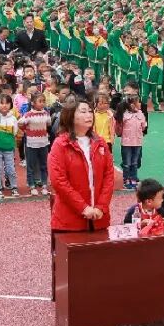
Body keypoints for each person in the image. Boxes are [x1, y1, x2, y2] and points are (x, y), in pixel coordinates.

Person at [48, 98, 115, 232]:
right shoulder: (60, 145)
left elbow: (109, 176)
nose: (89, 115)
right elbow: (59, 181)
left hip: (99, 218)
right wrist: (83, 207)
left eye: (90, 111)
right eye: (83, 112)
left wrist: (101, 207)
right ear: (71, 116)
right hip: (69, 221)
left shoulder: (100, 142)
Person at [18, 92, 51, 195]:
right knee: (31, 166)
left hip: (43, 143)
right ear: (33, 103)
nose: (42, 103)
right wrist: (26, 131)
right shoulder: (28, 115)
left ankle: (44, 185)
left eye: (43, 101)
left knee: (44, 165)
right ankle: (32, 186)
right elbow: (20, 123)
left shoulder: (46, 114)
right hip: (31, 144)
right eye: (40, 101)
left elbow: (48, 124)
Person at [0, 93, 20, 199]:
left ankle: (14, 187)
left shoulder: (13, 119)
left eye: (7, 103)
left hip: (9, 148)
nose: (4, 105)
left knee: (10, 168)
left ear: (11, 104)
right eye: (1, 103)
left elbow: (15, 132)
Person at [117, 95, 147, 190]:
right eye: (138, 102)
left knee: (134, 162)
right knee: (127, 163)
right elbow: (120, 126)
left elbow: (143, 126)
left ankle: (133, 179)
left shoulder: (141, 114)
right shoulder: (125, 115)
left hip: (137, 142)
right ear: (132, 105)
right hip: (126, 143)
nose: (140, 104)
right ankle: (126, 179)